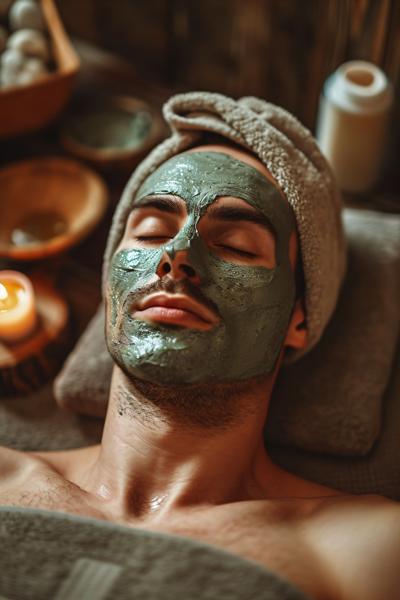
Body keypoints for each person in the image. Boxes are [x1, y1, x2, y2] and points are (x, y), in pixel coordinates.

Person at [1, 94, 399, 600]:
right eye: (149, 233)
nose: (175, 256)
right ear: (110, 287)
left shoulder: (363, 548)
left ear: (299, 317)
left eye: (235, 245)